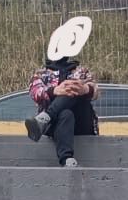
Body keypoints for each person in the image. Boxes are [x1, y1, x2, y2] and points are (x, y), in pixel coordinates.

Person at [27, 16, 98, 168]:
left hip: (82, 121)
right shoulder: (41, 73)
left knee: (73, 87)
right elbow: (35, 91)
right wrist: (55, 90)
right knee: (66, 113)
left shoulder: (81, 71)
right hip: (57, 124)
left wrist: (85, 89)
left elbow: (96, 90)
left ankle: (44, 118)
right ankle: (66, 159)